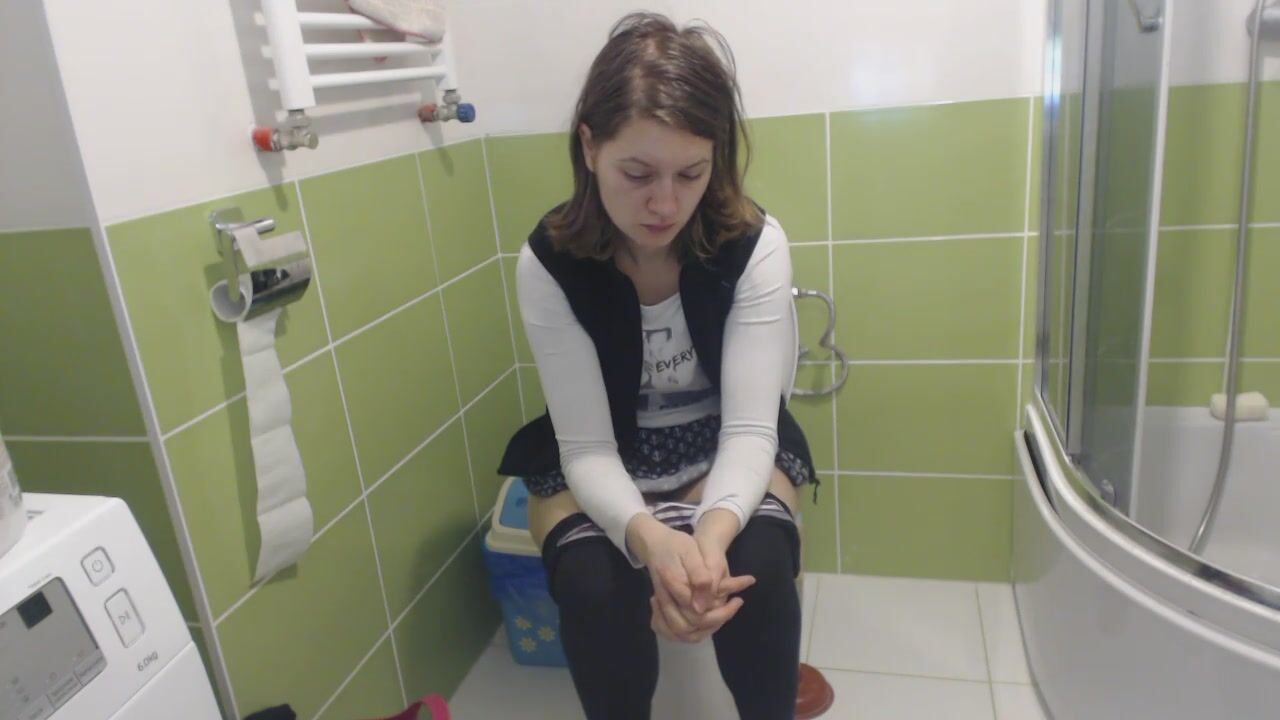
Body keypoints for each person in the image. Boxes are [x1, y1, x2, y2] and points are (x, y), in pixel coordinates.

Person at [498, 12, 817, 720]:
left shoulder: (753, 245)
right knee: (592, 584)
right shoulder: (550, 263)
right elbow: (586, 448)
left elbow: (749, 430)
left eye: (691, 173)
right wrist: (650, 539)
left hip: (724, 445)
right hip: (606, 453)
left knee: (757, 568)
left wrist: (707, 538)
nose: (665, 203)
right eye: (637, 173)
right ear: (590, 147)